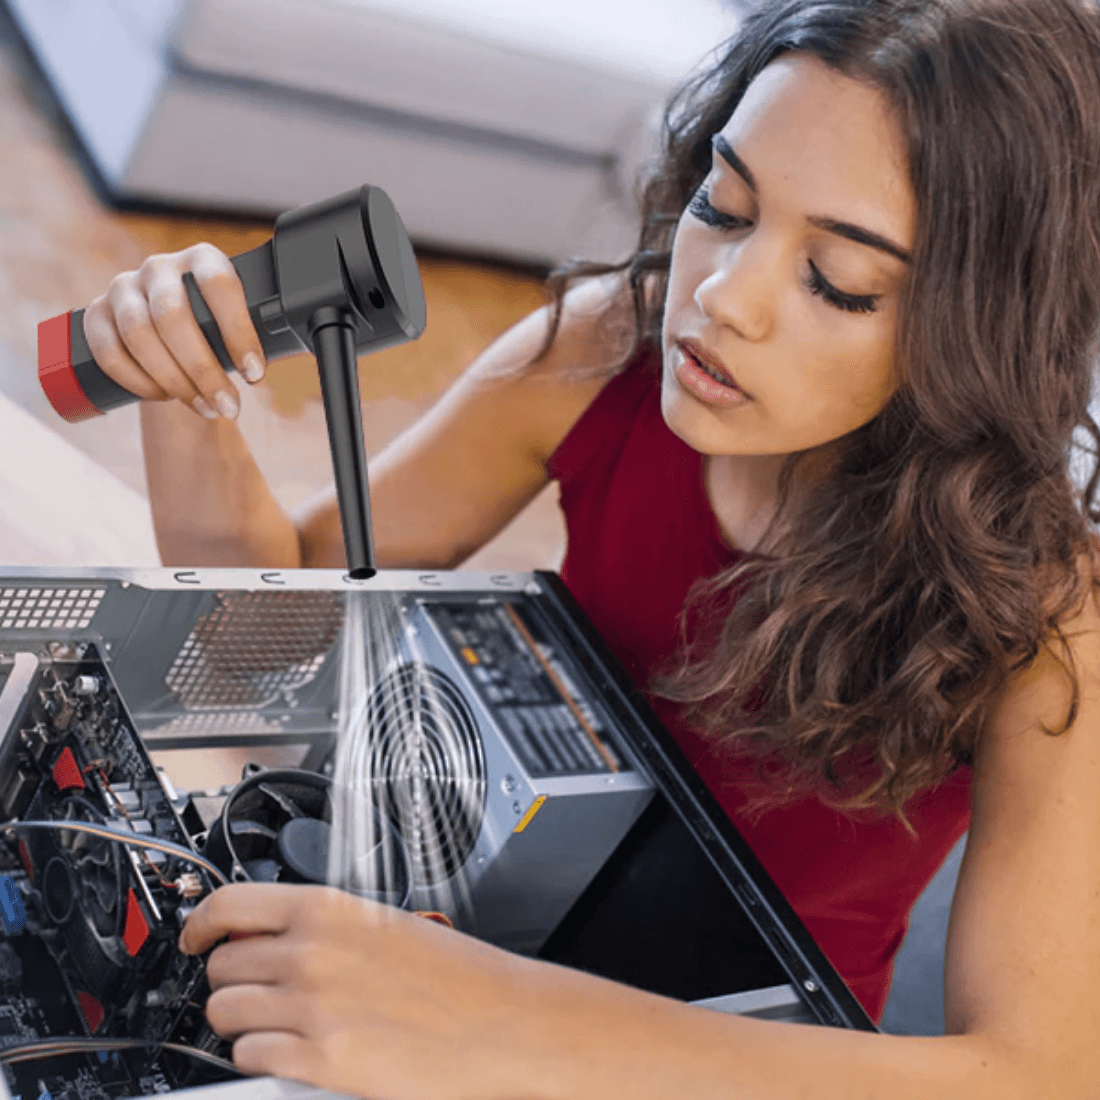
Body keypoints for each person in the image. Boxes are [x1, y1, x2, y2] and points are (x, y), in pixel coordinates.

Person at [82, 0, 1100, 1094]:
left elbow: (1038, 1074)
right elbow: (257, 641)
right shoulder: (605, 347)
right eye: (724, 204)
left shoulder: (1049, 616)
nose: (721, 297)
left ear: (980, 327)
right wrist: (181, 381)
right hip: (464, 944)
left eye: (836, 281)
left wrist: (497, 1020)